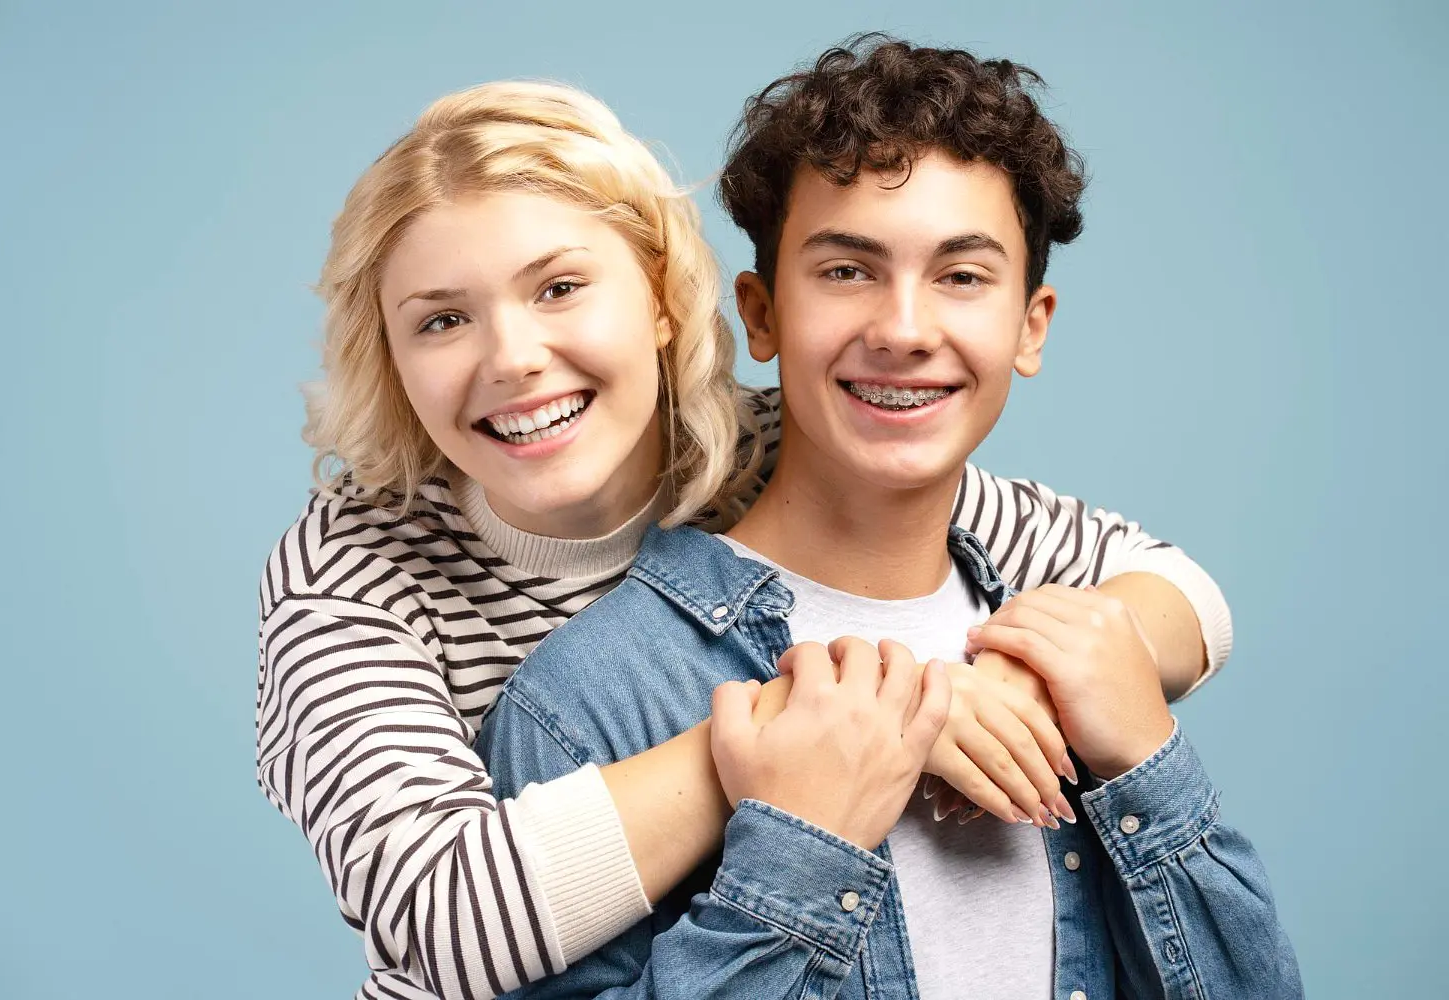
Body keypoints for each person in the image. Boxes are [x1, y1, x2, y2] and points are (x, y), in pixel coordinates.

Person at [257, 77, 1232, 1000]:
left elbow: (1174, 589)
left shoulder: (767, 450)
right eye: (442, 321)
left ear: (662, 300)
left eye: (558, 289)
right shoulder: (350, 571)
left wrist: (1022, 676)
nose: (513, 357)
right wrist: (862, 725)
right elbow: (442, 919)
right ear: (388, 357)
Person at [477, 36, 1300, 999]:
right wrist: (799, 851)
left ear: (1030, 326)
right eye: (846, 271)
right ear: (762, 313)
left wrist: (1146, 763)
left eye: (961, 276)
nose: (904, 331)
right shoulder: (593, 699)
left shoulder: (1076, 648)